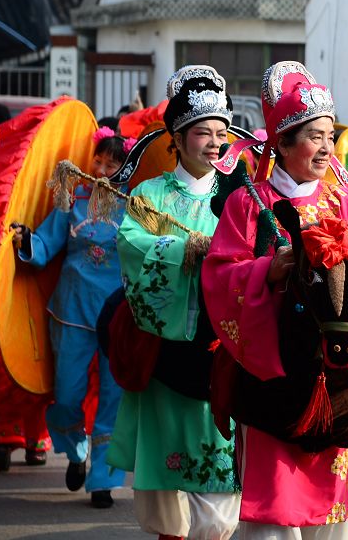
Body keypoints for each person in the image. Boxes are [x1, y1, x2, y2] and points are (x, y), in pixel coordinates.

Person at [202, 61, 348, 538]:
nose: (327, 147)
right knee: (274, 510)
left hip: (337, 373)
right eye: (314, 136)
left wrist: (347, 262)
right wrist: (272, 268)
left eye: (331, 135)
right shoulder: (249, 203)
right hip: (277, 376)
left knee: (334, 514)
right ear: (282, 144)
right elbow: (221, 275)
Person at [107, 65, 240, 540]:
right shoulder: (150, 195)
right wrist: (181, 249)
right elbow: (131, 246)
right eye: (201, 133)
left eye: (220, 133)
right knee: (166, 485)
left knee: (221, 486)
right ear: (177, 139)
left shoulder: (240, 196)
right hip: (166, 348)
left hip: (220, 348)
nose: (213, 142)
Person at [9, 128, 133, 507]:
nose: (102, 168)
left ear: (124, 167)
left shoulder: (137, 206)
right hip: (72, 310)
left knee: (113, 400)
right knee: (66, 394)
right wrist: (26, 239)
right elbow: (48, 241)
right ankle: (77, 452)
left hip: (117, 315)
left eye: (112, 163)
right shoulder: (72, 197)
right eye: (98, 159)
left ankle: (102, 482)